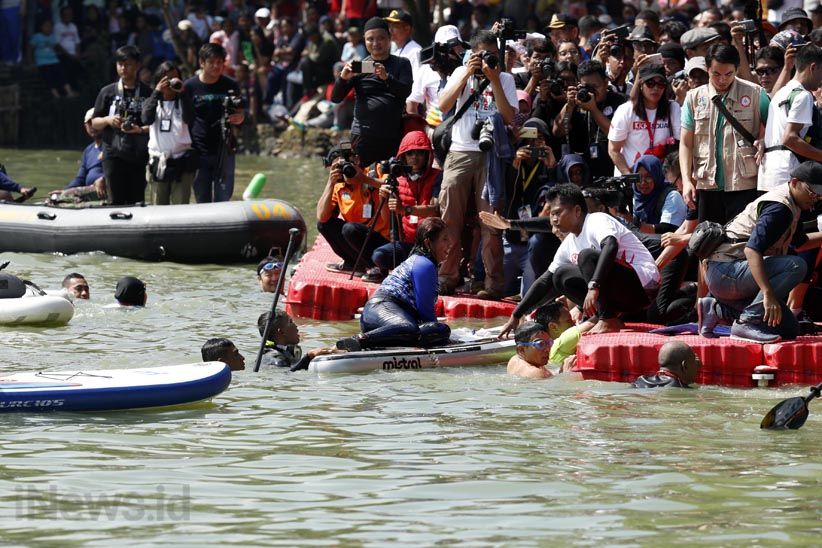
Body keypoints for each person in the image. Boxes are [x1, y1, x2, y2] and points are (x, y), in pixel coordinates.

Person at [499, 184, 660, 336]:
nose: (553, 220)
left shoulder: (597, 220)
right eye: (551, 215)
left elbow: (610, 245)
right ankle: (605, 316)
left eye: (557, 213)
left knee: (586, 256)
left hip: (643, 288)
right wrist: (517, 313)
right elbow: (544, 281)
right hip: (621, 295)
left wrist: (593, 286)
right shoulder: (570, 241)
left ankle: (607, 318)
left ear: (577, 210)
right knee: (560, 275)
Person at [436, 29, 518, 299]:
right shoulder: (461, 73)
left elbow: (509, 118)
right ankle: (447, 278)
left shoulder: (504, 78)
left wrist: (493, 80)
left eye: (492, 56)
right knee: (450, 219)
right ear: (471, 54)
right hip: (460, 152)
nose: (487, 61)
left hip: (491, 155)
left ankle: (493, 285)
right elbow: (443, 105)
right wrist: (467, 74)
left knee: (490, 223)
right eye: (482, 56)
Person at [701, 162, 822, 343]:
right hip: (725, 271)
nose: (815, 198)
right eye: (812, 192)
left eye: (819, 195)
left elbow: (800, 243)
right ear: (795, 182)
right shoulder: (780, 207)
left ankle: (716, 309)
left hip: (734, 275)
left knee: (789, 328)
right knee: (796, 265)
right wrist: (767, 293)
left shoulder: (793, 204)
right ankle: (747, 321)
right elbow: (752, 250)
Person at [680, 44, 770, 225]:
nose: (722, 80)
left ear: (737, 69)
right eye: (716, 74)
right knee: (708, 241)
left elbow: (772, 128)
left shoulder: (755, 93)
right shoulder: (693, 97)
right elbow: (686, 143)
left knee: (739, 242)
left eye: (729, 74)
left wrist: (762, 139)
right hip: (707, 184)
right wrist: (687, 180)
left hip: (743, 183)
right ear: (707, 69)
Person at [335, 217, 453, 351]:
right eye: (444, 239)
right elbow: (426, 312)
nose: (450, 243)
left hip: (381, 320)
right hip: (383, 310)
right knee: (438, 330)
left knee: (427, 330)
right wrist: (439, 336)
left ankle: (369, 340)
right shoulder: (424, 264)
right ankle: (358, 341)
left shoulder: (421, 261)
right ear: (428, 243)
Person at [331, 17, 413, 166]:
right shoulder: (359, 67)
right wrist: (342, 78)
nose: (376, 43)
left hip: (391, 136)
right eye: (370, 39)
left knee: (389, 183)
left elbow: (405, 91)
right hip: (363, 136)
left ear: (389, 38)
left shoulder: (402, 64)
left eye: (381, 38)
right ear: (364, 40)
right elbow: (336, 98)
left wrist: (386, 78)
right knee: (358, 183)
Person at [362, 130, 441, 283]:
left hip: (431, 245)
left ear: (427, 156)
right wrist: (383, 198)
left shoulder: (438, 176)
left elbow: (436, 210)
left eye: (420, 153)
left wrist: (406, 209)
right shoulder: (398, 180)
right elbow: (387, 221)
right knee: (379, 256)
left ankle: (419, 270)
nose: (414, 158)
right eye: (410, 153)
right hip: (407, 244)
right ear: (403, 156)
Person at [91, 45, 151, 205]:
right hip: (113, 152)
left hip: (139, 152)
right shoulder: (107, 91)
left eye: (128, 64)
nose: (124, 68)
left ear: (137, 66)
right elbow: (95, 123)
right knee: (115, 199)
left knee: (137, 199)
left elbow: (155, 125)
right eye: (120, 64)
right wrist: (108, 120)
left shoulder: (147, 92)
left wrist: (139, 129)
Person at [316, 144, 391, 274]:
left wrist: (364, 179)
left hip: (381, 239)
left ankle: (377, 268)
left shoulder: (375, 171)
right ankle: (353, 263)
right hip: (356, 236)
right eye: (339, 168)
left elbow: (394, 187)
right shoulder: (338, 186)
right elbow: (322, 217)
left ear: (356, 160)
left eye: (347, 165)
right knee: (324, 225)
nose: (345, 171)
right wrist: (330, 183)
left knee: (350, 229)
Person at [184, 43, 244, 203]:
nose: (217, 66)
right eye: (212, 62)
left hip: (225, 149)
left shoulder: (231, 85)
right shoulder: (189, 86)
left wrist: (239, 118)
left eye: (220, 62)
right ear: (201, 63)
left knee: (223, 198)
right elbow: (183, 118)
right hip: (199, 149)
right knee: (202, 198)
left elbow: (240, 112)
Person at [758, 45, 822, 192]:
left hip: (767, 175)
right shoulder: (803, 95)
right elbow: (790, 138)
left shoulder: (780, 93)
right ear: (813, 68)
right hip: (788, 176)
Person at [552, 60, 626, 178]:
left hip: (610, 171)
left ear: (606, 82)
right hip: (581, 176)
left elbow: (616, 134)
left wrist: (593, 109)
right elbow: (558, 132)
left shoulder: (620, 102)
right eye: (585, 86)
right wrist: (569, 107)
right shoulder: (577, 101)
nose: (590, 91)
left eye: (595, 87)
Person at [608, 64, 681, 176]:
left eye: (661, 84)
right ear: (641, 85)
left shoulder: (673, 108)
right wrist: (629, 176)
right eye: (650, 83)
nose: (656, 88)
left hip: (662, 179)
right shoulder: (626, 110)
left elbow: (683, 144)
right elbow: (613, 150)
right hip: (632, 177)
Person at [142, 61, 196, 205]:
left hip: (182, 161)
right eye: (167, 79)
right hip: (158, 162)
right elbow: (146, 119)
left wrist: (182, 93)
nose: (171, 83)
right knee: (158, 208)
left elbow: (189, 119)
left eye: (174, 78)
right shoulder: (152, 101)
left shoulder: (185, 100)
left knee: (181, 206)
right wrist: (157, 92)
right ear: (159, 80)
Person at [257, 310, 337, 370]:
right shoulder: (275, 359)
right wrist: (308, 357)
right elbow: (286, 375)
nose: (296, 325)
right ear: (281, 331)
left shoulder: (286, 352)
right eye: (291, 322)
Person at [631, 155, 687, 234]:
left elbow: (668, 230)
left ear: (657, 176)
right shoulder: (632, 195)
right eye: (639, 177)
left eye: (648, 177)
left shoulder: (671, 196)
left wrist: (632, 222)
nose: (643, 182)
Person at [64, 109, 105, 200]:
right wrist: (65, 191)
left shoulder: (112, 146)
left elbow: (119, 171)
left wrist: (103, 179)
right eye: (89, 123)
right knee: (56, 198)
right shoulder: (88, 151)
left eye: (95, 122)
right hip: (88, 192)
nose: (93, 126)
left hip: (106, 191)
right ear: (85, 126)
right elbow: (80, 179)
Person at [632, 341, 701, 388]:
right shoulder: (681, 388)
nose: (697, 366)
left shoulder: (640, 380)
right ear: (685, 365)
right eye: (695, 362)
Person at [385, 9, 420, 80]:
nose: (390, 30)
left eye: (394, 26)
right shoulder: (396, 51)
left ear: (407, 28)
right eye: (389, 26)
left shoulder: (415, 51)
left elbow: (417, 82)